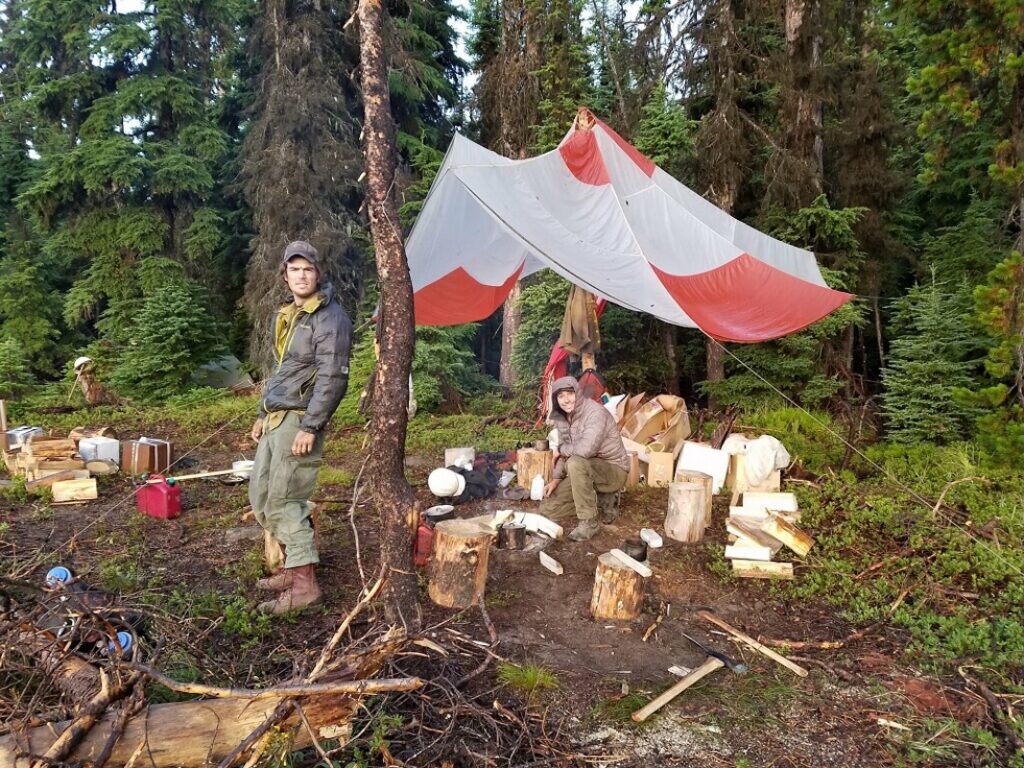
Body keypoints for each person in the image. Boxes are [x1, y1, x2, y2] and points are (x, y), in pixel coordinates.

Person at [248, 240, 352, 614]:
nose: (301, 275)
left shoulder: (330, 317)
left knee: (285, 499)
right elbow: (284, 371)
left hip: (300, 419)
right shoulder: (294, 314)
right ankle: (293, 571)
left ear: (318, 273)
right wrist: (262, 412)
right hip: (278, 417)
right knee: (261, 495)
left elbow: (333, 377)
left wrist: (311, 425)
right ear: (285, 275)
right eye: (294, 269)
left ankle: (306, 588)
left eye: (308, 268)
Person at [539, 375, 629, 541]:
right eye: (560, 396)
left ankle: (589, 522)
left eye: (569, 393)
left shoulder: (595, 413)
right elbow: (567, 451)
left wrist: (560, 449)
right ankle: (600, 502)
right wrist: (556, 479)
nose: (566, 400)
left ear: (578, 393)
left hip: (613, 471)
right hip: (585, 469)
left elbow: (584, 450)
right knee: (548, 507)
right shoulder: (562, 418)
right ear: (556, 399)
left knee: (575, 462)